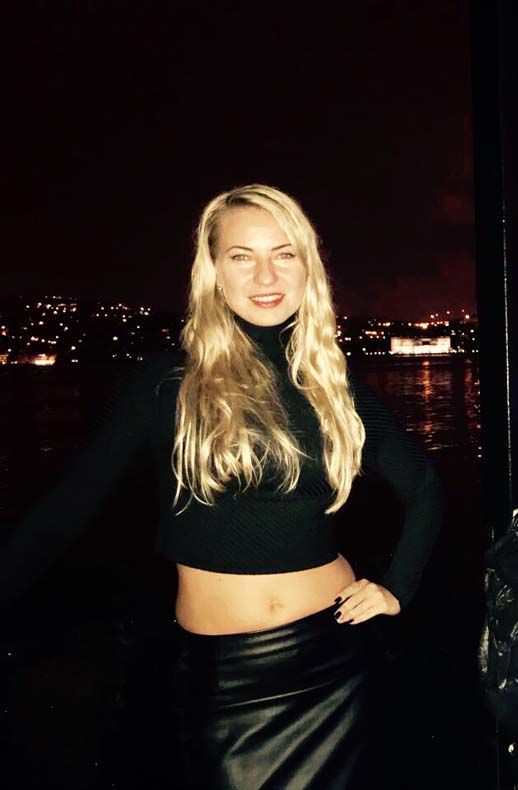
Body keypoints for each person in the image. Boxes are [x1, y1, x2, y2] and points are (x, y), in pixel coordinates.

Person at [1, 184, 444, 788]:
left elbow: (424, 488)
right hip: (225, 679)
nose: (266, 275)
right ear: (213, 272)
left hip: (339, 654)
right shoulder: (168, 384)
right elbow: (64, 512)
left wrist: (397, 587)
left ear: (308, 268)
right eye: (242, 256)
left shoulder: (333, 388)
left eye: (284, 254)